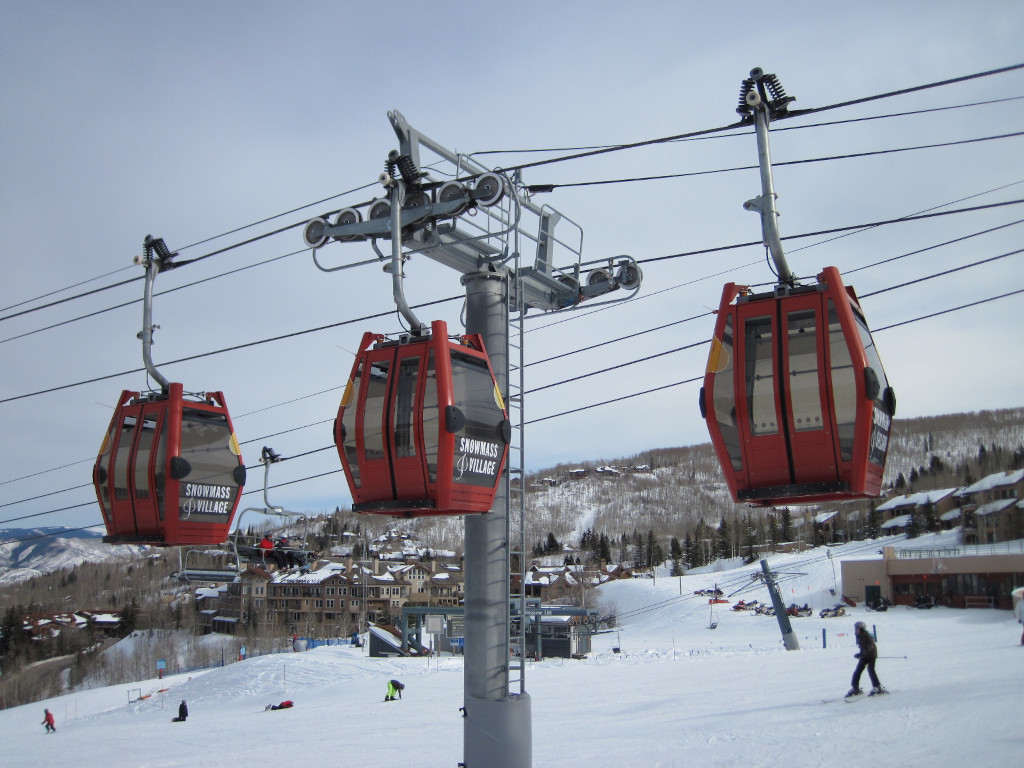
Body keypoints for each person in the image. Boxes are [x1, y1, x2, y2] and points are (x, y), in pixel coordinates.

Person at [847, 621, 886, 697]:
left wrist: (861, 654)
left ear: (861, 629)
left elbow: (870, 647)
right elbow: (863, 648)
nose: (855, 630)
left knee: (871, 670)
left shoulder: (866, 636)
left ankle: (877, 687)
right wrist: (860, 654)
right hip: (865, 656)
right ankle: (855, 688)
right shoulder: (860, 636)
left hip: (871, 655)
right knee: (857, 672)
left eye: (857, 629)